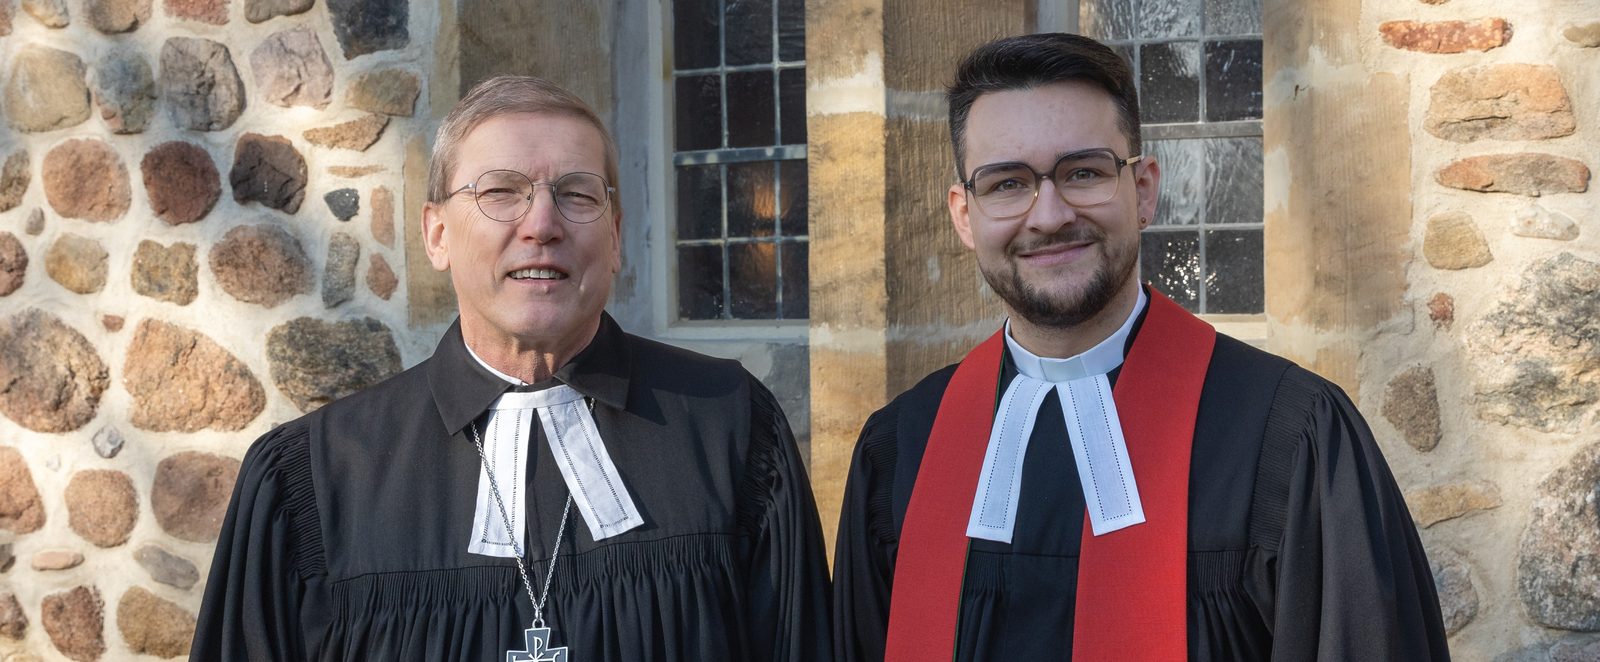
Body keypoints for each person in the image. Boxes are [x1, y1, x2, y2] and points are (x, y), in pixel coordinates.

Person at [830, 33, 1449, 662]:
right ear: (965, 215)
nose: (1048, 215)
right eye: (1006, 184)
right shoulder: (900, 448)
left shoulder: (1288, 438)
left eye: (1084, 173)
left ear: (1144, 188)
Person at [191, 76, 832, 662]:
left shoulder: (731, 429)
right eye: (501, 192)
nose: (543, 224)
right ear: (437, 235)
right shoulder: (315, 477)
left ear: (614, 236)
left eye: (576, 194)